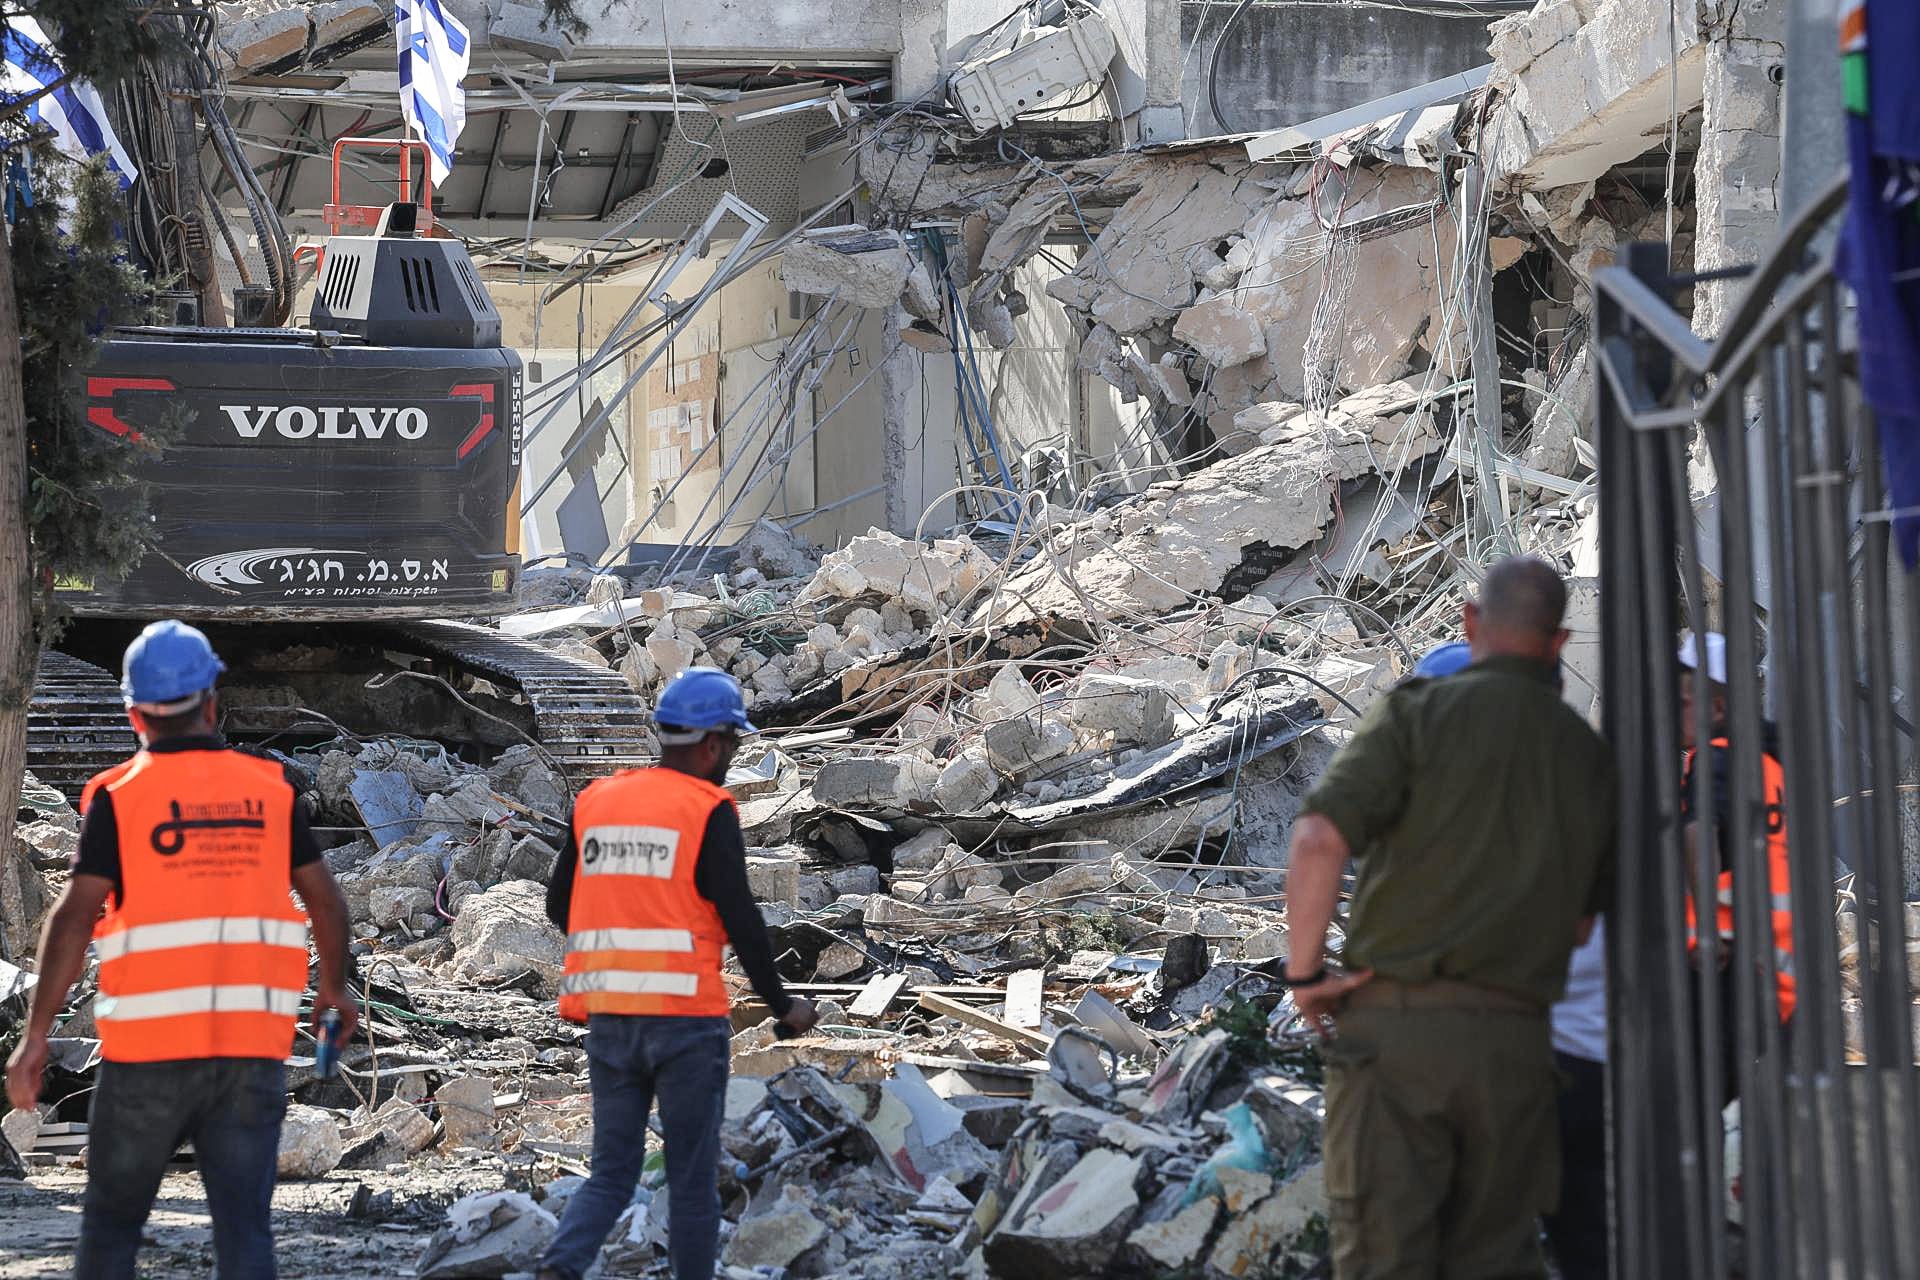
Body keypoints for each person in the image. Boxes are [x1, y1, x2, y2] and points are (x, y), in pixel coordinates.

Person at [1282, 557, 1617, 1280]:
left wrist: (1306, 974)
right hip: (1517, 1048)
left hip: (1396, 1037)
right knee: (1495, 1260)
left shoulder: (1416, 714)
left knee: (1385, 1258)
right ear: (1558, 643)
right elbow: (1584, 927)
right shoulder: (1588, 758)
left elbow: (1316, 840)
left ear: (1471, 624)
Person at [4, 620, 359, 1280]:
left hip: (148, 1058)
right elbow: (328, 904)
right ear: (212, 705)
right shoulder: (270, 793)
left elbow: (75, 915)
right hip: (250, 1056)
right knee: (244, 1234)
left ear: (135, 714)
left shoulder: (117, 798)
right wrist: (334, 989)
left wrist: (37, 1037)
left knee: (111, 1232)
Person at [537, 667, 817, 1280]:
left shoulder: (597, 801)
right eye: (733, 746)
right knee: (691, 1180)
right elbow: (740, 915)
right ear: (714, 743)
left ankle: (558, 1269)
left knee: (611, 1172)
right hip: (684, 1025)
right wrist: (781, 1004)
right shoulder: (707, 807)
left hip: (609, 1019)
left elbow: (560, 906)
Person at [1678, 630, 1794, 1102]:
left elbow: (1699, 833)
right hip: (1783, 960)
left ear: (1718, 710)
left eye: (1683, 701)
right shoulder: (1779, 760)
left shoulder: (1716, 760)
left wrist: (1705, 927)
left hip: (1727, 960)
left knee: (1704, 1096)